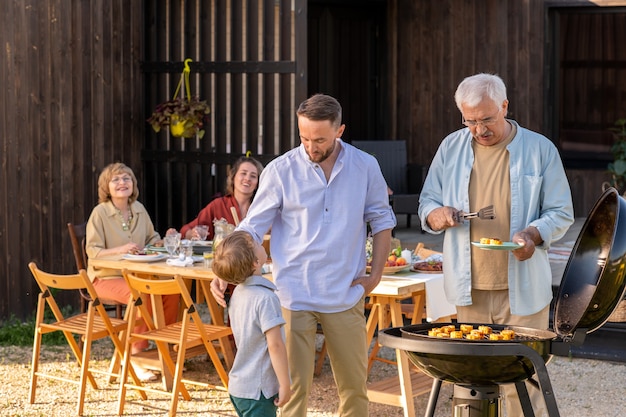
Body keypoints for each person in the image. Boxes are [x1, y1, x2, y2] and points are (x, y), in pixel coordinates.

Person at [211, 93, 396, 417]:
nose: (310, 147)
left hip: (345, 293)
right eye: (304, 138)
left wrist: (375, 276)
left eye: (319, 139)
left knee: (354, 392)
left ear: (339, 130)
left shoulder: (365, 166)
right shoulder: (280, 170)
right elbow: (253, 226)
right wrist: (223, 269)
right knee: (292, 393)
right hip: (292, 296)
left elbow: (382, 220)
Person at [418, 73, 575, 416]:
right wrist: (437, 215)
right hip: (468, 289)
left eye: (487, 119)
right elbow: (426, 203)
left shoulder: (539, 148)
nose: (479, 129)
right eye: (470, 121)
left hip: (523, 289)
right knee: (474, 381)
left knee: (524, 383)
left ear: (505, 106)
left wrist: (532, 235)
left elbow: (562, 212)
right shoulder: (450, 147)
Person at [85, 162, 180, 382]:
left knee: (172, 290)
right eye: (116, 179)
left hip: (138, 276)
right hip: (104, 277)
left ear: (133, 183)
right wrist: (122, 250)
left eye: (126, 178)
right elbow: (93, 252)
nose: (122, 182)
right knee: (140, 294)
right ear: (106, 187)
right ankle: (136, 356)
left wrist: (165, 239)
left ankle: (164, 349)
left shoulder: (139, 208)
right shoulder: (99, 213)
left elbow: (150, 240)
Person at [212, 231, 291, 416]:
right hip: (259, 391)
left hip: (240, 386)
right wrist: (285, 383)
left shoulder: (238, 293)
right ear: (255, 262)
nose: (260, 242)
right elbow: (275, 345)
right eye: (254, 244)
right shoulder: (266, 298)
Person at [172, 156, 263, 240]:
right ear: (233, 177)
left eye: (253, 176)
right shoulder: (218, 205)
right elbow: (186, 230)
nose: (247, 178)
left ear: (257, 183)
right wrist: (192, 233)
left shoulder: (262, 208)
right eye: (243, 173)